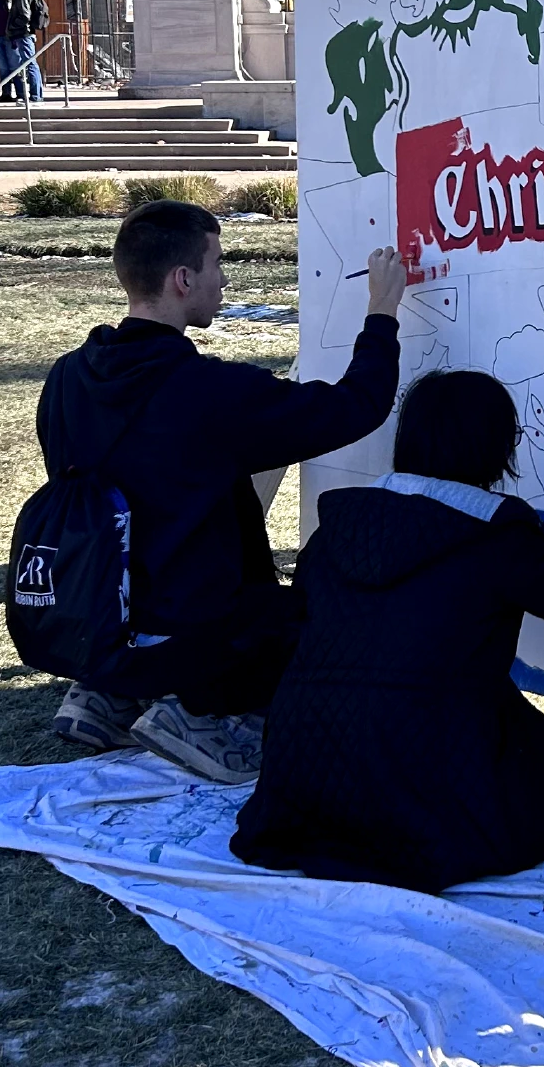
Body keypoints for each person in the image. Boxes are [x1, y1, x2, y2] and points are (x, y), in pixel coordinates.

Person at [37, 198, 406, 781]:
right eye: (217, 263)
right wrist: (382, 311)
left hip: (98, 618)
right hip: (193, 635)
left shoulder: (65, 378)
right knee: (327, 617)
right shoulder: (207, 392)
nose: (225, 278)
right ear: (183, 279)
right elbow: (355, 406)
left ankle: (107, 693)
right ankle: (204, 714)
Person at [230, 370, 544, 892]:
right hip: (428, 761)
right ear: (494, 449)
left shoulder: (340, 525)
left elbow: (300, 620)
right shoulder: (494, 537)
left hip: (302, 765)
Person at [5, 0, 47, 100]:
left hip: (23, 34)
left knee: (30, 63)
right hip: (23, 33)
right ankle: (35, 95)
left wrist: (12, 25)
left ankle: (36, 96)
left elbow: (25, 15)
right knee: (29, 63)